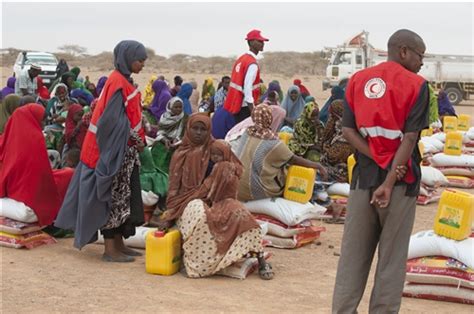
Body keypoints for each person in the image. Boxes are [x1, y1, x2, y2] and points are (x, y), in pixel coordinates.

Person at [332, 29, 429, 313]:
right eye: (419, 55)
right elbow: (409, 139)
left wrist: (374, 154)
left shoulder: (357, 81)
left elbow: (348, 130)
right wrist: (388, 180)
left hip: (362, 180)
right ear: (403, 51)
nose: (422, 62)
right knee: (391, 260)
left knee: (352, 257)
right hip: (400, 184)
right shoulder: (417, 85)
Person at [55, 40, 148, 263]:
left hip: (122, 150)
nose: (142, 65)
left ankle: (119, 244)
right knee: (111, 198)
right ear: (127, 59)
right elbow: (113, 122)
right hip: (109, 151)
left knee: (122, 199)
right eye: (139, 60)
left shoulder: (123, 81)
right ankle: (110, 249)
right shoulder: (118, 83)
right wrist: (135, 139)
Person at [0, 104, 74, 227]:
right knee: (69, 175)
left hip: (20, 198)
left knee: (67, 174)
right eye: (42, 120)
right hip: (31, 204)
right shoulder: (35, 139)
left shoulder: (7, 140)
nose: (44, 124)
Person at [235, 104, 327, 201]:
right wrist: (318, 166)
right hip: (258, 191)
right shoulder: (273, 143)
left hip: (237, 187)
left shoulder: (246, 133)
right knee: (288, 175)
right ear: (269, 118)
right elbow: (294, 159)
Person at [218, 29, 269, 134]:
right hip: (245, 107)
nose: (262, 43)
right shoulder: (252, 63)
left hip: (236, 104)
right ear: (251, 42)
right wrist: (253, 111)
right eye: (259, 41)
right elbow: (247, 88)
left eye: (262, 41)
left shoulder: (241, 59)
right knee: (244, 134)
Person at [320, 100, 355, 181]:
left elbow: (332, 157)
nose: (331, 116)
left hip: (340, 170)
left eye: (332, 114)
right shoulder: (351, 125)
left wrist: (325, 149)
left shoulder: (343, 135)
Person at [150, 97, 188, 174]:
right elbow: (160, 132)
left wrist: (177, 140)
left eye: (180, 107)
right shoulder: (164, 117)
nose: (178, 109)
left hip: (178, 144)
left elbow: (184, 133)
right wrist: (164, 139)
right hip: (163, 142)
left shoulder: (185, 118)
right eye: (176, 107)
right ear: (170, 107)